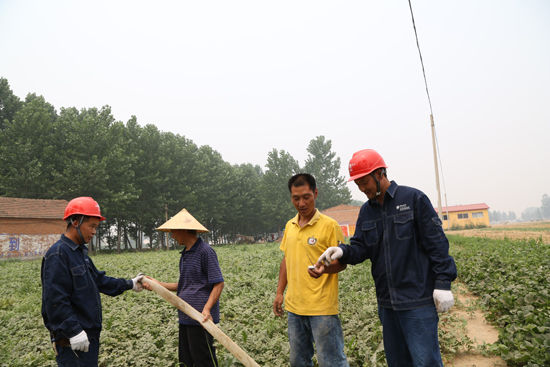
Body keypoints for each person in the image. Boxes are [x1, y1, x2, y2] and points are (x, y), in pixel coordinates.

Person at [315, 149, 457, 367]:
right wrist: (342, 251)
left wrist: (443, 283)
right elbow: (361, 248)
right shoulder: (366, 211)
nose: (362, 189)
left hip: (417, 302)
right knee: (398, 362)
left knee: (425, 361)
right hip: (387, 305)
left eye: (365, 182)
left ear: (380, 173)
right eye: (358, 184)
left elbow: (437, 245)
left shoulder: (413, 199)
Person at [41, 196, 144, 366]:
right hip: (72, 342)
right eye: (92, 226)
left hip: (88, 338)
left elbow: (99, 280)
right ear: (75, 221)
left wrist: (130, 283)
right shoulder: (58, 254)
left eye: (97, 227)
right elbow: (55, 300)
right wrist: (74, 331)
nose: (95, 232)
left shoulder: (79, 252)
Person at [273, 173, 349, 367]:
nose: (301, 203)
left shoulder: (330, 226)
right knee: (298, 361)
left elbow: (342, 262)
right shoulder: (290, 226)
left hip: (322, 308)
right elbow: (286, 260)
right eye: (296, 198)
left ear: (315, 193)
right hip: (294, 308)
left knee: (331, 361)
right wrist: (280, 292)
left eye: (306, 197)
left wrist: (324, 270)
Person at [143, 208, 224, 367]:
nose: (172, 235)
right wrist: (156, 284)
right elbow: (184, 285)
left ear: (183, 230)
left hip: (201, 318)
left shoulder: (205, 251)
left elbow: (218, 283)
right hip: (186, 316)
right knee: (186, 361)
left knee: (203, 360)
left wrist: (206, 309)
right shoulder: (185, 254)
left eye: (174, 231)